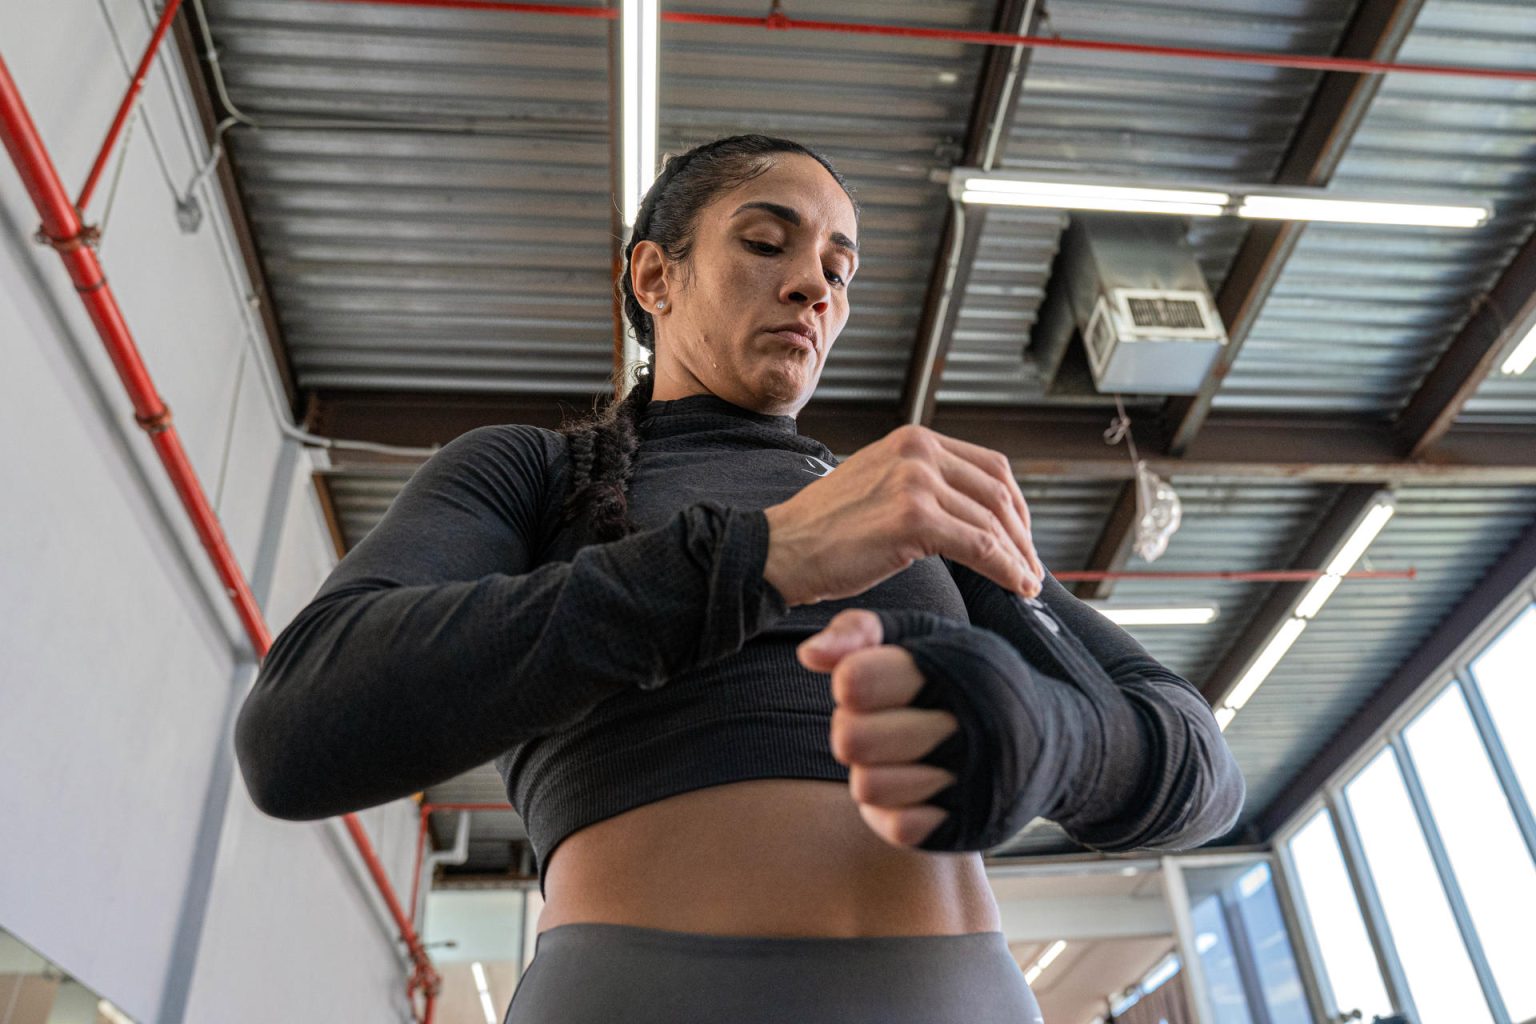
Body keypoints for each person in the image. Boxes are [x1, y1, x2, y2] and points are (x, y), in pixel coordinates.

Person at [234, 134, 1245, 1024]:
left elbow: (1203, 764)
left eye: (839, 270)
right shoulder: (537, 473)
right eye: (768, 242)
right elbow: (297, 729)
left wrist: (1047, 741)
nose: (815, 285)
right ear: (653, 276)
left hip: (953, 992)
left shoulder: (905, 502)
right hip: (630, 992)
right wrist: (765, 555)